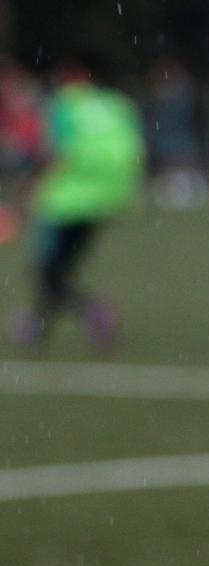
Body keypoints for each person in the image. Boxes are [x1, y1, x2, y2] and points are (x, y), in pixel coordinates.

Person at [8, 53, 144, 350]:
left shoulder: (65, 104)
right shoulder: (115, 103)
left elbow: (62, 152)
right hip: (109, 197)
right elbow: (133, 148)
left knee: (43, 268)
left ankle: (89, 311)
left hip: (68, 199)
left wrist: (32, 185)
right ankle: (38, 326)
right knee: (57, 268)